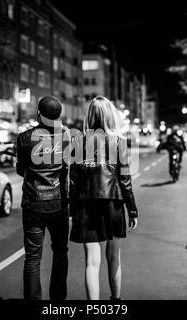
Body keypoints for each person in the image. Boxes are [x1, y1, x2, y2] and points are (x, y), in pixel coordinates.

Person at [69, 96, 138, 300]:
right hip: (113, 203)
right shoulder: (119, 142)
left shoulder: (78, 142)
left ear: (90, 116)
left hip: (86, 204)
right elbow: (125, 180)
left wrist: (71, 211)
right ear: (111, 116)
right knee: (114, 256)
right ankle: (116, 302)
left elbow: (72, 181)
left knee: (92, 261)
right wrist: (132, 210)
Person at [16, 96, 71, 300]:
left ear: (39, 113)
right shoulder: (66, 137)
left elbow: (21, 170)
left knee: (32, 257)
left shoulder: (24, 137)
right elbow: (67, 169)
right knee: (60, 252)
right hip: (58, 203)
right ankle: (58, 301)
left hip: (33, 203)